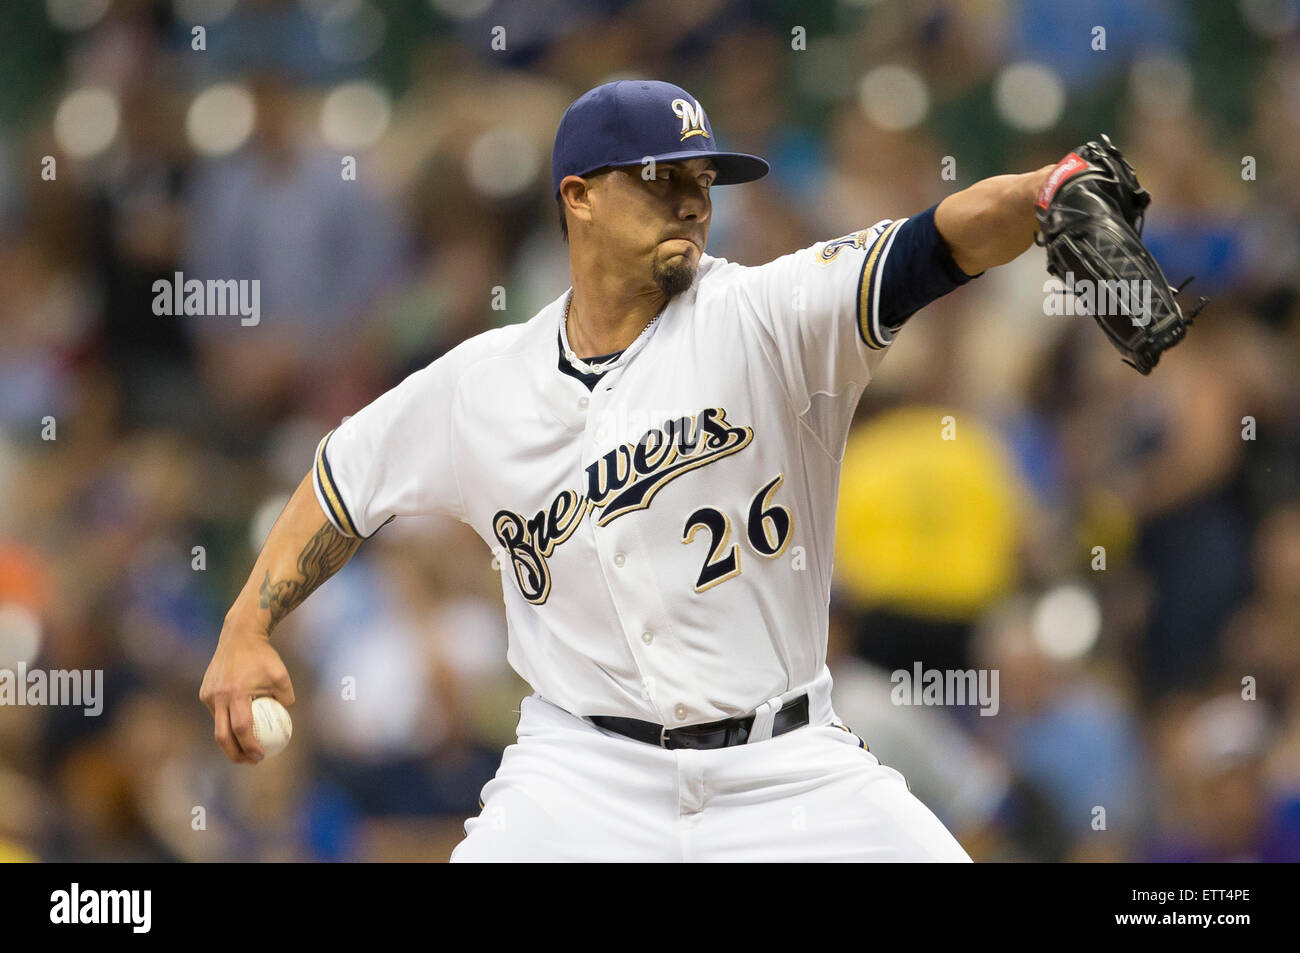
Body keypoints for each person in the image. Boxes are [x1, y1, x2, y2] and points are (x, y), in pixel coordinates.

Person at [201, 80, 1057, 861]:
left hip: (788, 767)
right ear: (577, 197)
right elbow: (343, 478)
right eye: (658, 179)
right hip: (581, 775)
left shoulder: (767, 314)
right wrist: (248, 624)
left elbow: (933, 245)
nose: (690, 202)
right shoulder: (483, 383)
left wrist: (1034, 195)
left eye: (701, 182)